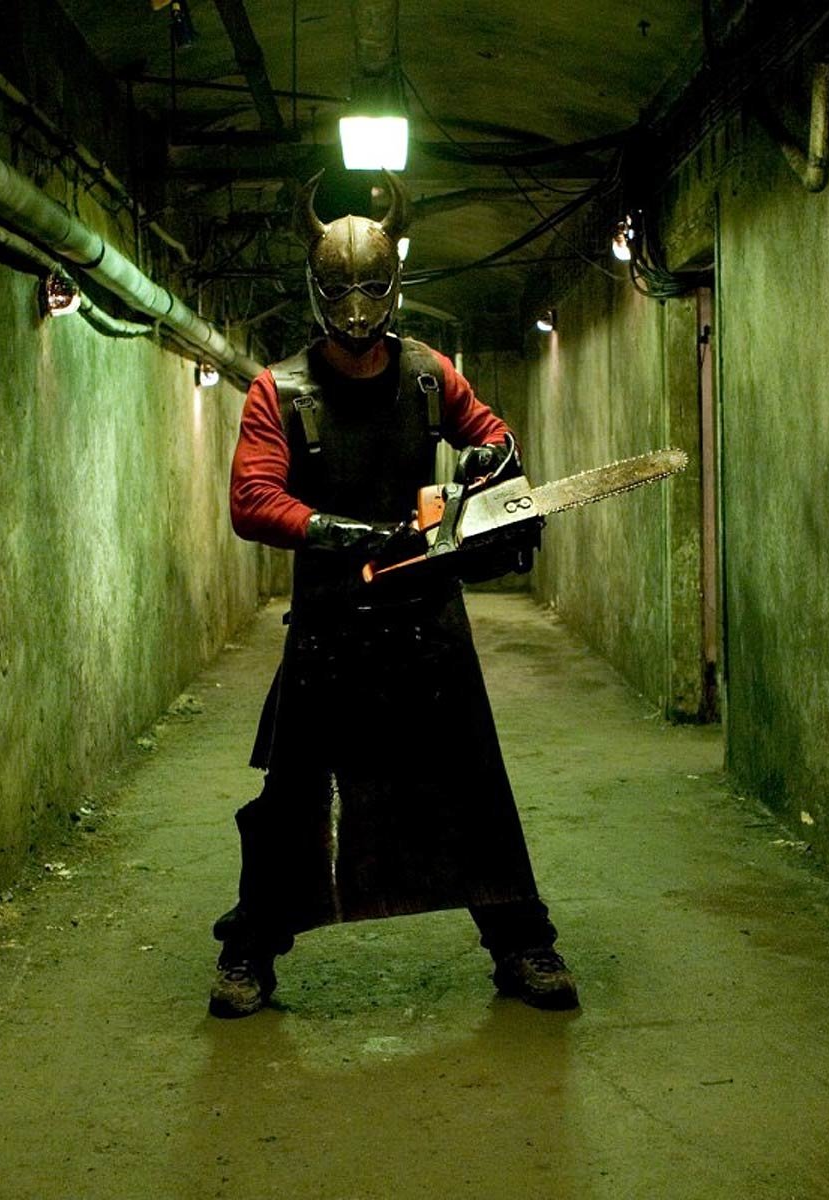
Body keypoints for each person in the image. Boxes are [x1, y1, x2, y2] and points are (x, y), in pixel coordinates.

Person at [209, 170, 576, 1019]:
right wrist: (335, 530)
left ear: (393, 286)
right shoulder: (280, 390)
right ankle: (249, 953)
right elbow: (251, 499)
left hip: (425, 618)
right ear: (317, 289)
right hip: (331, 623)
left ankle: (523, 942)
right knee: (297, 796)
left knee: (473, 785)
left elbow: (490, 432)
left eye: (371, 287)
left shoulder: (426, 375)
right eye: (342, 289)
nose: (357, 305)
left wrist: (494, 457)